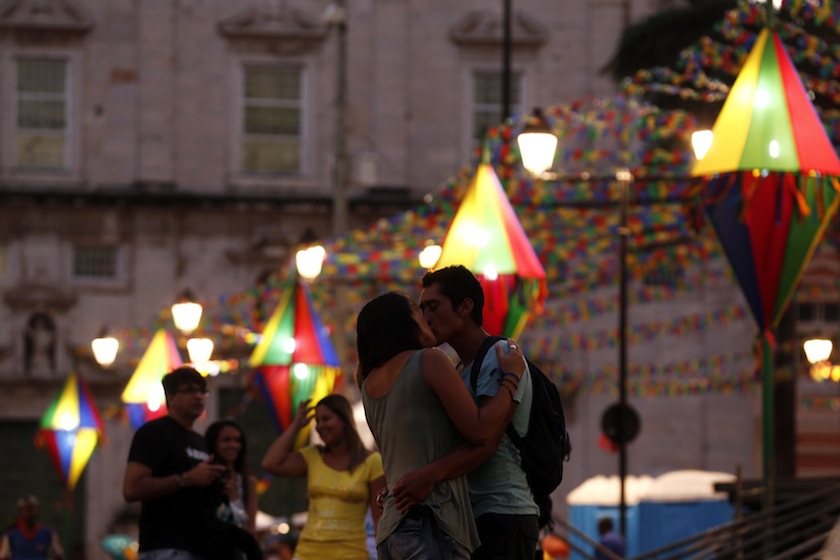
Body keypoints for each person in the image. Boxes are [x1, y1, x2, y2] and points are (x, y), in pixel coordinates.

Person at [357, 291, 526, 559]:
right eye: (417, 309)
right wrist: (511, 378)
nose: (426, 318)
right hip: (431, 520)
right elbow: (480, 431)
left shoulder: (367, 384)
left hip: (391, 529)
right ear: (402, 322)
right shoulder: (429, 360)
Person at [415, 265, 540, 560]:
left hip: (504, 512)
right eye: (422, 310)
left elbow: (484, 438)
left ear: (465, 306)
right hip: (475, 515)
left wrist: (430, 475)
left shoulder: (499, 356)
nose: (426, 318)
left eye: (433, 306)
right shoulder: (459, 368)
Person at [261, 393, 386, 560]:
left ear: (344, 419)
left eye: (326, 419)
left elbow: (379, 517)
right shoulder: (312, 456)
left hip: (350, 553)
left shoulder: (372, 461)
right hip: (307, 553)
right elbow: (270, 464)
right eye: (317, 421)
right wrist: (296, 425)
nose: (320, 426)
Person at [122, 366, 229, 560]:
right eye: (189, 390)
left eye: (202, 391)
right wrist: (186, 479)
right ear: (170, 397)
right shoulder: (155, 432)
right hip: (168, 547)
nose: (198, 396)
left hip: (202, 548)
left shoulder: (201, 441)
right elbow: (131, 489)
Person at [205, 419, 258, 535]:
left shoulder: (248, 482)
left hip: (238, 547)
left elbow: (250, 528)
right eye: (226, 440)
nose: (233, 445)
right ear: (213, 443)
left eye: (237, 440)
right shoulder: (204, 478)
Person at [0, 494, 64, 559]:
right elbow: (3, 556)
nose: (28, 512)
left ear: (37, 511)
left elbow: (59, 555)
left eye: (31, 509)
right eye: (25, 509)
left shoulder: (49, 533)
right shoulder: (10, 536)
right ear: (20, 512)